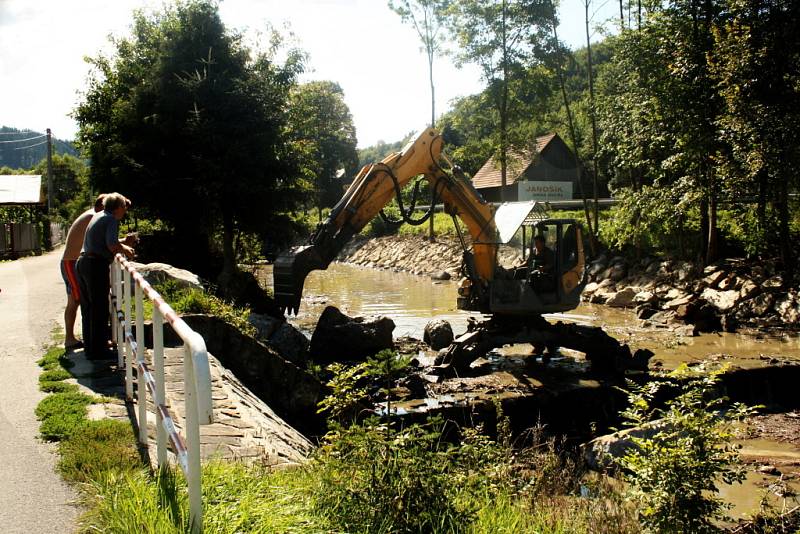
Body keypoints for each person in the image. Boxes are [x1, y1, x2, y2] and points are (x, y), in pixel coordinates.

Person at [75, 193, 135, 360]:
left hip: (83, 262)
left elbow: (105, 241)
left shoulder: (100, 215)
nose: (125, 211)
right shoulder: (111, 220)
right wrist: (126, 249)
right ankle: (100, 351)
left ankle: (90, 348)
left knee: (88, 309)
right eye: (124, 207)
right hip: (95, 265)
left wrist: (122, 245)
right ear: (118, 208)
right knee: (100, 308)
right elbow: (111, 244)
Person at [61, 194, 107, 350]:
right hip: (71, 262)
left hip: (72, 261)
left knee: (76, 300)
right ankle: (69, 338)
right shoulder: (93, 217)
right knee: (76, 300)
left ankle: (73, 337)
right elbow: (97, 242)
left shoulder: (91, 215)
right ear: (101, 206)